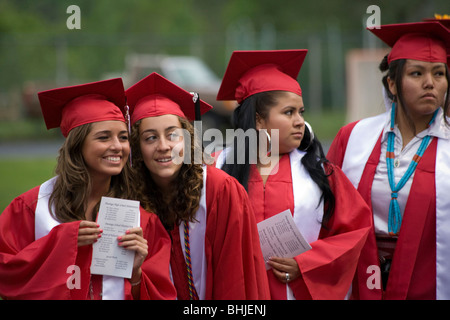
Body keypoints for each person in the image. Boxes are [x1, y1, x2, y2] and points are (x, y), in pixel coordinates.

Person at [214, 49, 372, 300]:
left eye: (301, 112)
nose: (299, 121)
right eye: (289, 112)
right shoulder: (217, 168)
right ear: (259, 120)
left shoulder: (321, 173)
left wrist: (306, 263)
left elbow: (355, 232)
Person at [0, 78, 176, 300]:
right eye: (104, 137)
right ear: (77, 145)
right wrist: (61, 242)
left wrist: (136, 274)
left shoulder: (140, 218)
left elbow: (163, 294)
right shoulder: (33, 208)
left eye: (123, 137)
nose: (117, 146)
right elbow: (6, 274)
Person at [327, 21, 450, 299]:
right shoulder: (355, 136)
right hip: (361, 278)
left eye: (439, 73)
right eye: (417, 73)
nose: (429, 82)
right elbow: (326, 210)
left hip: (431, 280)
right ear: (393, 84)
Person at [126, 72, 270, 300]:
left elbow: (236, 281)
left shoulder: (220, 190)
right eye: (150, 138)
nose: (163, 146)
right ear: (137, 149)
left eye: (172, 135)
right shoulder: (131, 202)